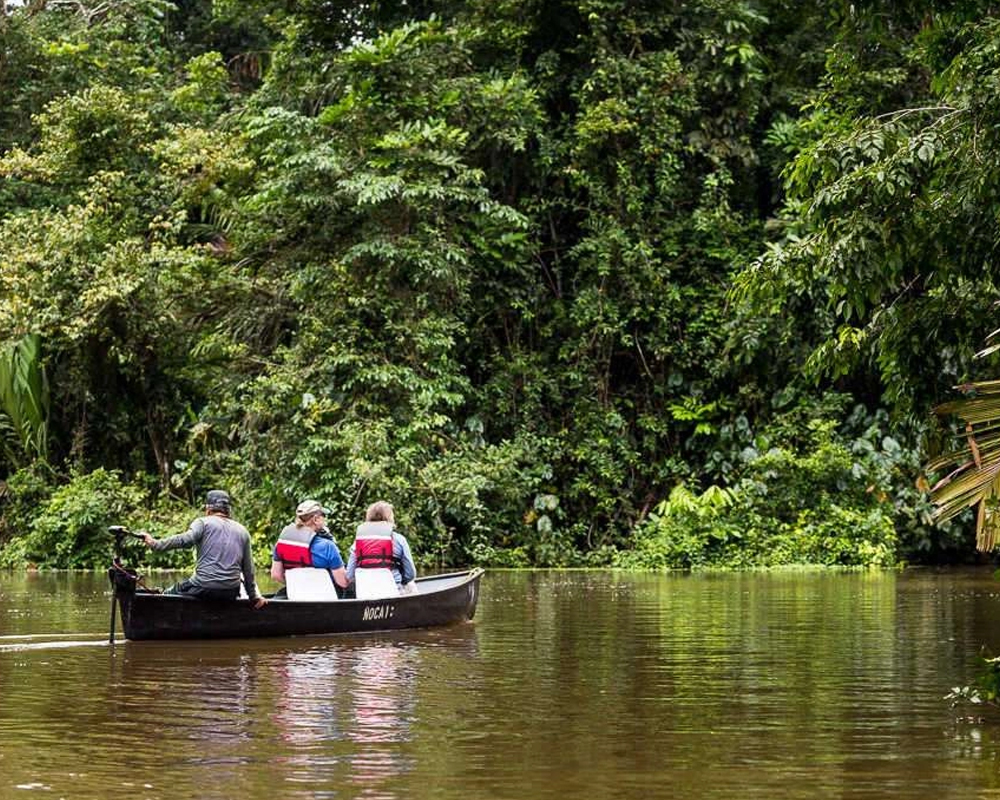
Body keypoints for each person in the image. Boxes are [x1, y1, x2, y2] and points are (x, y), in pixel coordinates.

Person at [141, 489, 267, 608]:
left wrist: (155, 544)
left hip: (204, 586)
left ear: (208, 509)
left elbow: (185, 540)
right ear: (228, 511)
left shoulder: (203, 523)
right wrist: (253, 596)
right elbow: (248, 569)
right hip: (230, 592)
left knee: (171, 591)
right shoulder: (243, 531)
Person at [271, 500, 348, 589]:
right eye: (323, 516)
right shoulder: (328, 546)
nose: (325, 519)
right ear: (315, 519)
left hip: (296, 596)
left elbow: (276, 575)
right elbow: (343, 582)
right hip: (326, 598)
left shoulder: (281, 544)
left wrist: (299, 585)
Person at [345, 501, 417, 594]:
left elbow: (349, 575)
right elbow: (410, 574)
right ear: (390, 518)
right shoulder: (399, 540)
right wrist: (402, 581)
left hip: (365, 592)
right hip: (393, 592)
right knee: (411, 584)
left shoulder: (357, 542)